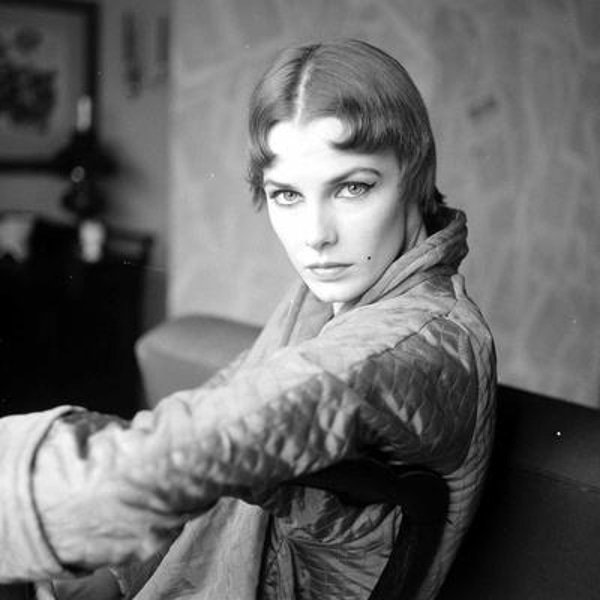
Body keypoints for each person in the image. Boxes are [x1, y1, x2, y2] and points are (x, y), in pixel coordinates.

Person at [0, 39, 496, 599]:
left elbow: (224, 435)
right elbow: (222, 407)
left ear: (415, 176)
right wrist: (112, 580)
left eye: (352, 187)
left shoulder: (422, 338)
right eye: (286, 194)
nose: (316, 235)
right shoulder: (323, 298)